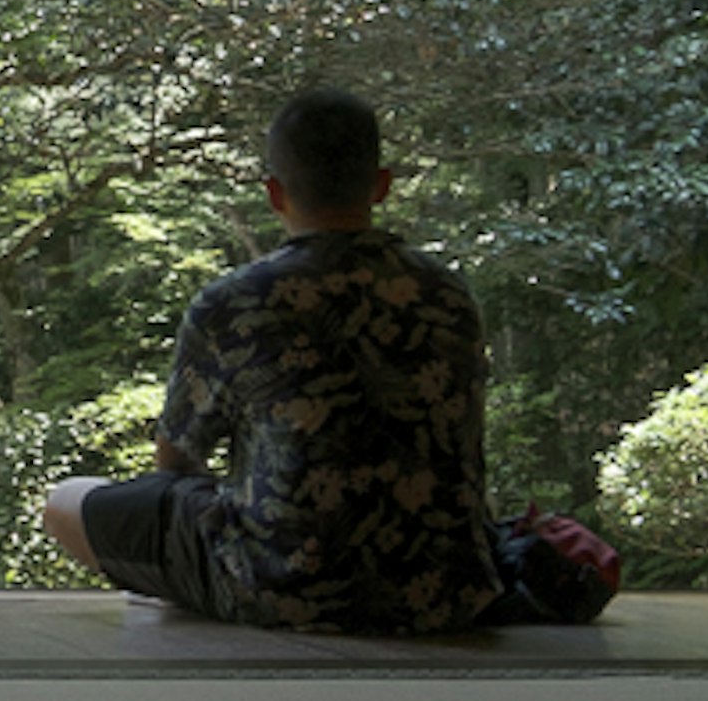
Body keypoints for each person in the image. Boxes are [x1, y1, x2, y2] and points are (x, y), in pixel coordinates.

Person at [41, 87, 504, 634]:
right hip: (447, 593)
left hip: (288, 589)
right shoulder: (448, 294)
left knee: (65, 501)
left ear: (275, 193)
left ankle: (191, 593)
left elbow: (175, 461)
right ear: (382, 185)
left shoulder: (237, 301)